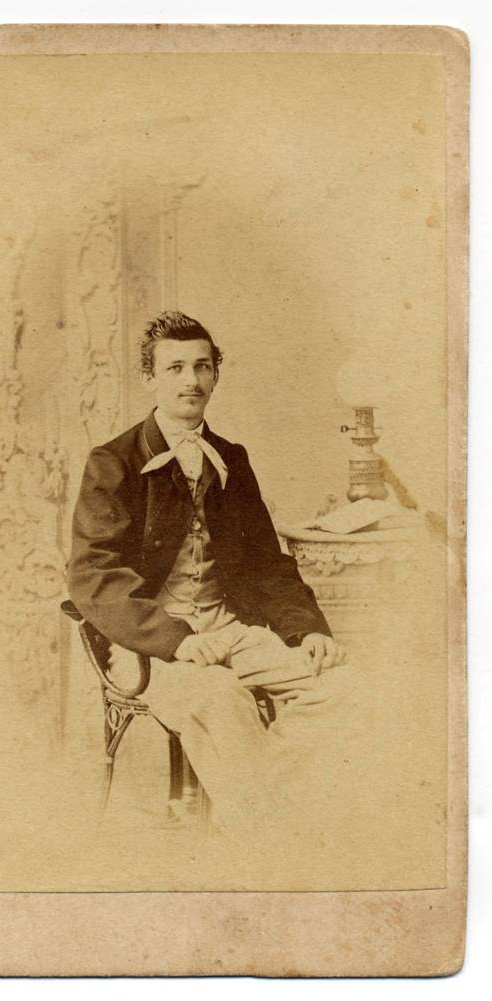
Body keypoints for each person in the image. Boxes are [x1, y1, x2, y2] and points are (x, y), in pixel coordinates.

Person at [68, 311, 347, 834]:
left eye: (201, 366)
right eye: (174, 368)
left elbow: (266, 561)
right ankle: (272, 838)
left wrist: (307, 628)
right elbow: (93, 574)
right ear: (149, 378)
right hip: (150, 645)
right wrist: (175, 640)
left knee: (341, 687)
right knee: (221, 698)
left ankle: (262, 813)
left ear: (216, 374)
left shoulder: (231, 459)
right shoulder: (114, 461)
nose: (191, 381)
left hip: (230, 628)